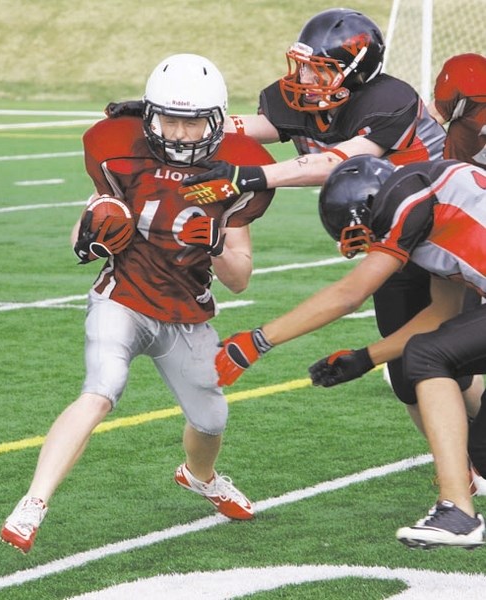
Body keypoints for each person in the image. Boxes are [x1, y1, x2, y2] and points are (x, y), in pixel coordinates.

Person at [0, 53, 275, 554]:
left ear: (215, 121)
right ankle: (33, 501)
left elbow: (240, 277)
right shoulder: (116, 150)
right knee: (101, 389)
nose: (179, 133)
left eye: (192, 122)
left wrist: (214, 240)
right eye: (169, 118)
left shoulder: (235, 173)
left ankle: (200, 476)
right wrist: (89, 238)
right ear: (150, 114)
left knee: (211, 419)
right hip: (122, 298)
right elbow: (90, 222)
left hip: (187, 312)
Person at [176, 8, 483, 432]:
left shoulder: (389, 100)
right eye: (301, 66)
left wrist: (252, 176)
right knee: (407, 376)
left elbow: (337, 163)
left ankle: (472, 459)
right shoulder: (306, 98)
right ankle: (461, 472)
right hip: (389, 235)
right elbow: (243, 127)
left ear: (356, 71)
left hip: (438, 234)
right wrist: (179, 118)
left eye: (318, 69)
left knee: (445, 359)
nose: (303, 78)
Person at [211, 154, 486, 548]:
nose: (371, 245)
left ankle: (458, 511)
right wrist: (365, 357)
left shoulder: (411, 194)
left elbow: (350, 294)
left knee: (425, 356)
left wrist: (257, 340)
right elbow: (442, 314)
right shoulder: (436, 209)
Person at [427, 53, 486, 168]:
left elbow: (423, 125)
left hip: (455, 175)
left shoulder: (470, 74)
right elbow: (429, 121)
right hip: (455, 173)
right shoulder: (472, 75)